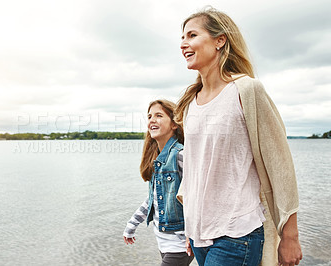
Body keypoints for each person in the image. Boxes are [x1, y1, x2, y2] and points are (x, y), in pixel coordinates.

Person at [175, 6, 303, 266]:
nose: (183, 44)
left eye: (191, 35)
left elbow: (281, 165)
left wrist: (290, 236)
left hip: (237, 233)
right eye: (182, 38)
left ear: (219, 40)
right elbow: (193, 171)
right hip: (200, 235)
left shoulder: (247, 91)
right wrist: (191, 227)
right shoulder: (190, 103)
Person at [123, 99, 194, 266]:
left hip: (181, 244)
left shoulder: (181, 155)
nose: (152, 120)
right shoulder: (158, 159)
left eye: (159, 115)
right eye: (149, 116)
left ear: (174, 124)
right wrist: (132, 224)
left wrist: (193, 233)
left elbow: (195, 197)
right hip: (163, 243)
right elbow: (153, 199)